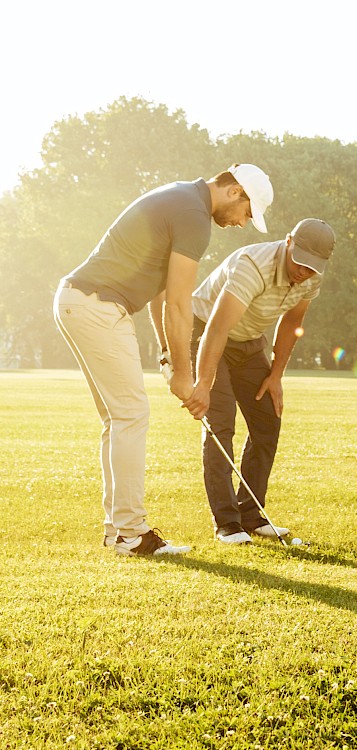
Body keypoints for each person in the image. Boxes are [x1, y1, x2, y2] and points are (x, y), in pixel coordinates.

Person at [53, 164, 274, 556]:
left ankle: (117, 530)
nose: (243, 223)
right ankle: (131, 533)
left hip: (79, 301)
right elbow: (178, 305)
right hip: (97, 305)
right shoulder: (193, 215)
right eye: (247, 213)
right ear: (235, 191)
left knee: (118, 419)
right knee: (131, 415)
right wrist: (184, 375)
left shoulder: (183, 198)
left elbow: (161, 294)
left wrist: (170, 357)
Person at [185, 218, 336, 544]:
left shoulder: (310, 278)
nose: (303, 272)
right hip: (207, 334)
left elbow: (293, 320)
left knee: (268, 419)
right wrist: (203, 383)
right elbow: (217, 328)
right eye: (300, 261)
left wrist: (276, 374)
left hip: (250, 342)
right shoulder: (252, 266)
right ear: (288, 242)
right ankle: (228, 524)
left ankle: (252, 515)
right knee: (221, 422)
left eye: (313, 267)